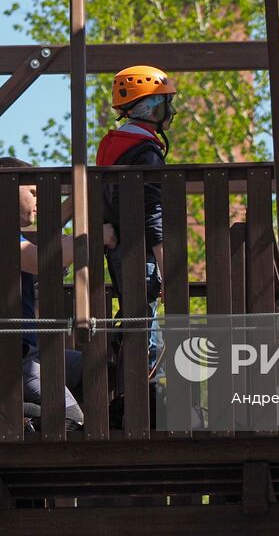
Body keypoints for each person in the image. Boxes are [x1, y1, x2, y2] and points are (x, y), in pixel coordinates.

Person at [0, 157, 84, 431]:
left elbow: (45, 250)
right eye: (33, 192)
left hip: (22, 352)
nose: (37, 200)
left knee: (88, 366)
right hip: (5, 357)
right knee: (71, 419)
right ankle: (2, 414)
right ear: (10, 191)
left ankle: (15, 410)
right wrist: (90, 238)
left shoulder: (2, 234)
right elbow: (38, 260)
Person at [97, 65, 174, 388]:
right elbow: (152, 210)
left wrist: (103, 223)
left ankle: (131, 393)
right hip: (140, 250)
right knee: (146, 326)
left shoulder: (112, 145)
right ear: (152, 108)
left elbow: (100, 191)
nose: (172, 110)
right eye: (167, 103)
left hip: (117, 249)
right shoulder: (147, 154)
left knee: (134, 320)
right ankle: (149, 400)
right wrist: (164, 260)